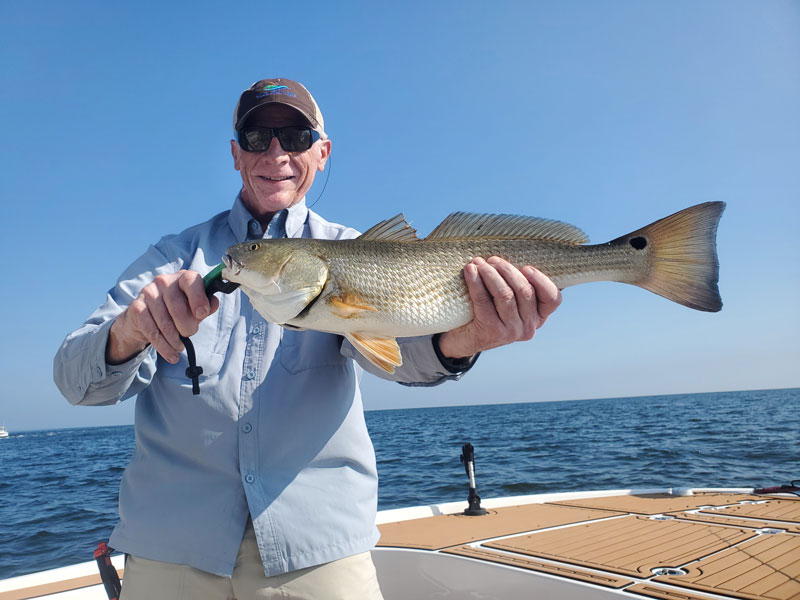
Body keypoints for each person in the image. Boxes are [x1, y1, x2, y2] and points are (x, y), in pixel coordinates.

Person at [54, 78, 561, 599]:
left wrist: (469, 338)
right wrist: (129, 331)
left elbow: (402, 356)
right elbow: (73, 379)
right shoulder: (172, 258)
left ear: (322, 151)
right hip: (171, 551)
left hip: (316, 550)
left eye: (295, 136)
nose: (276, 153)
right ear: (235, 153)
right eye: (257, 137)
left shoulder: (353, 249)